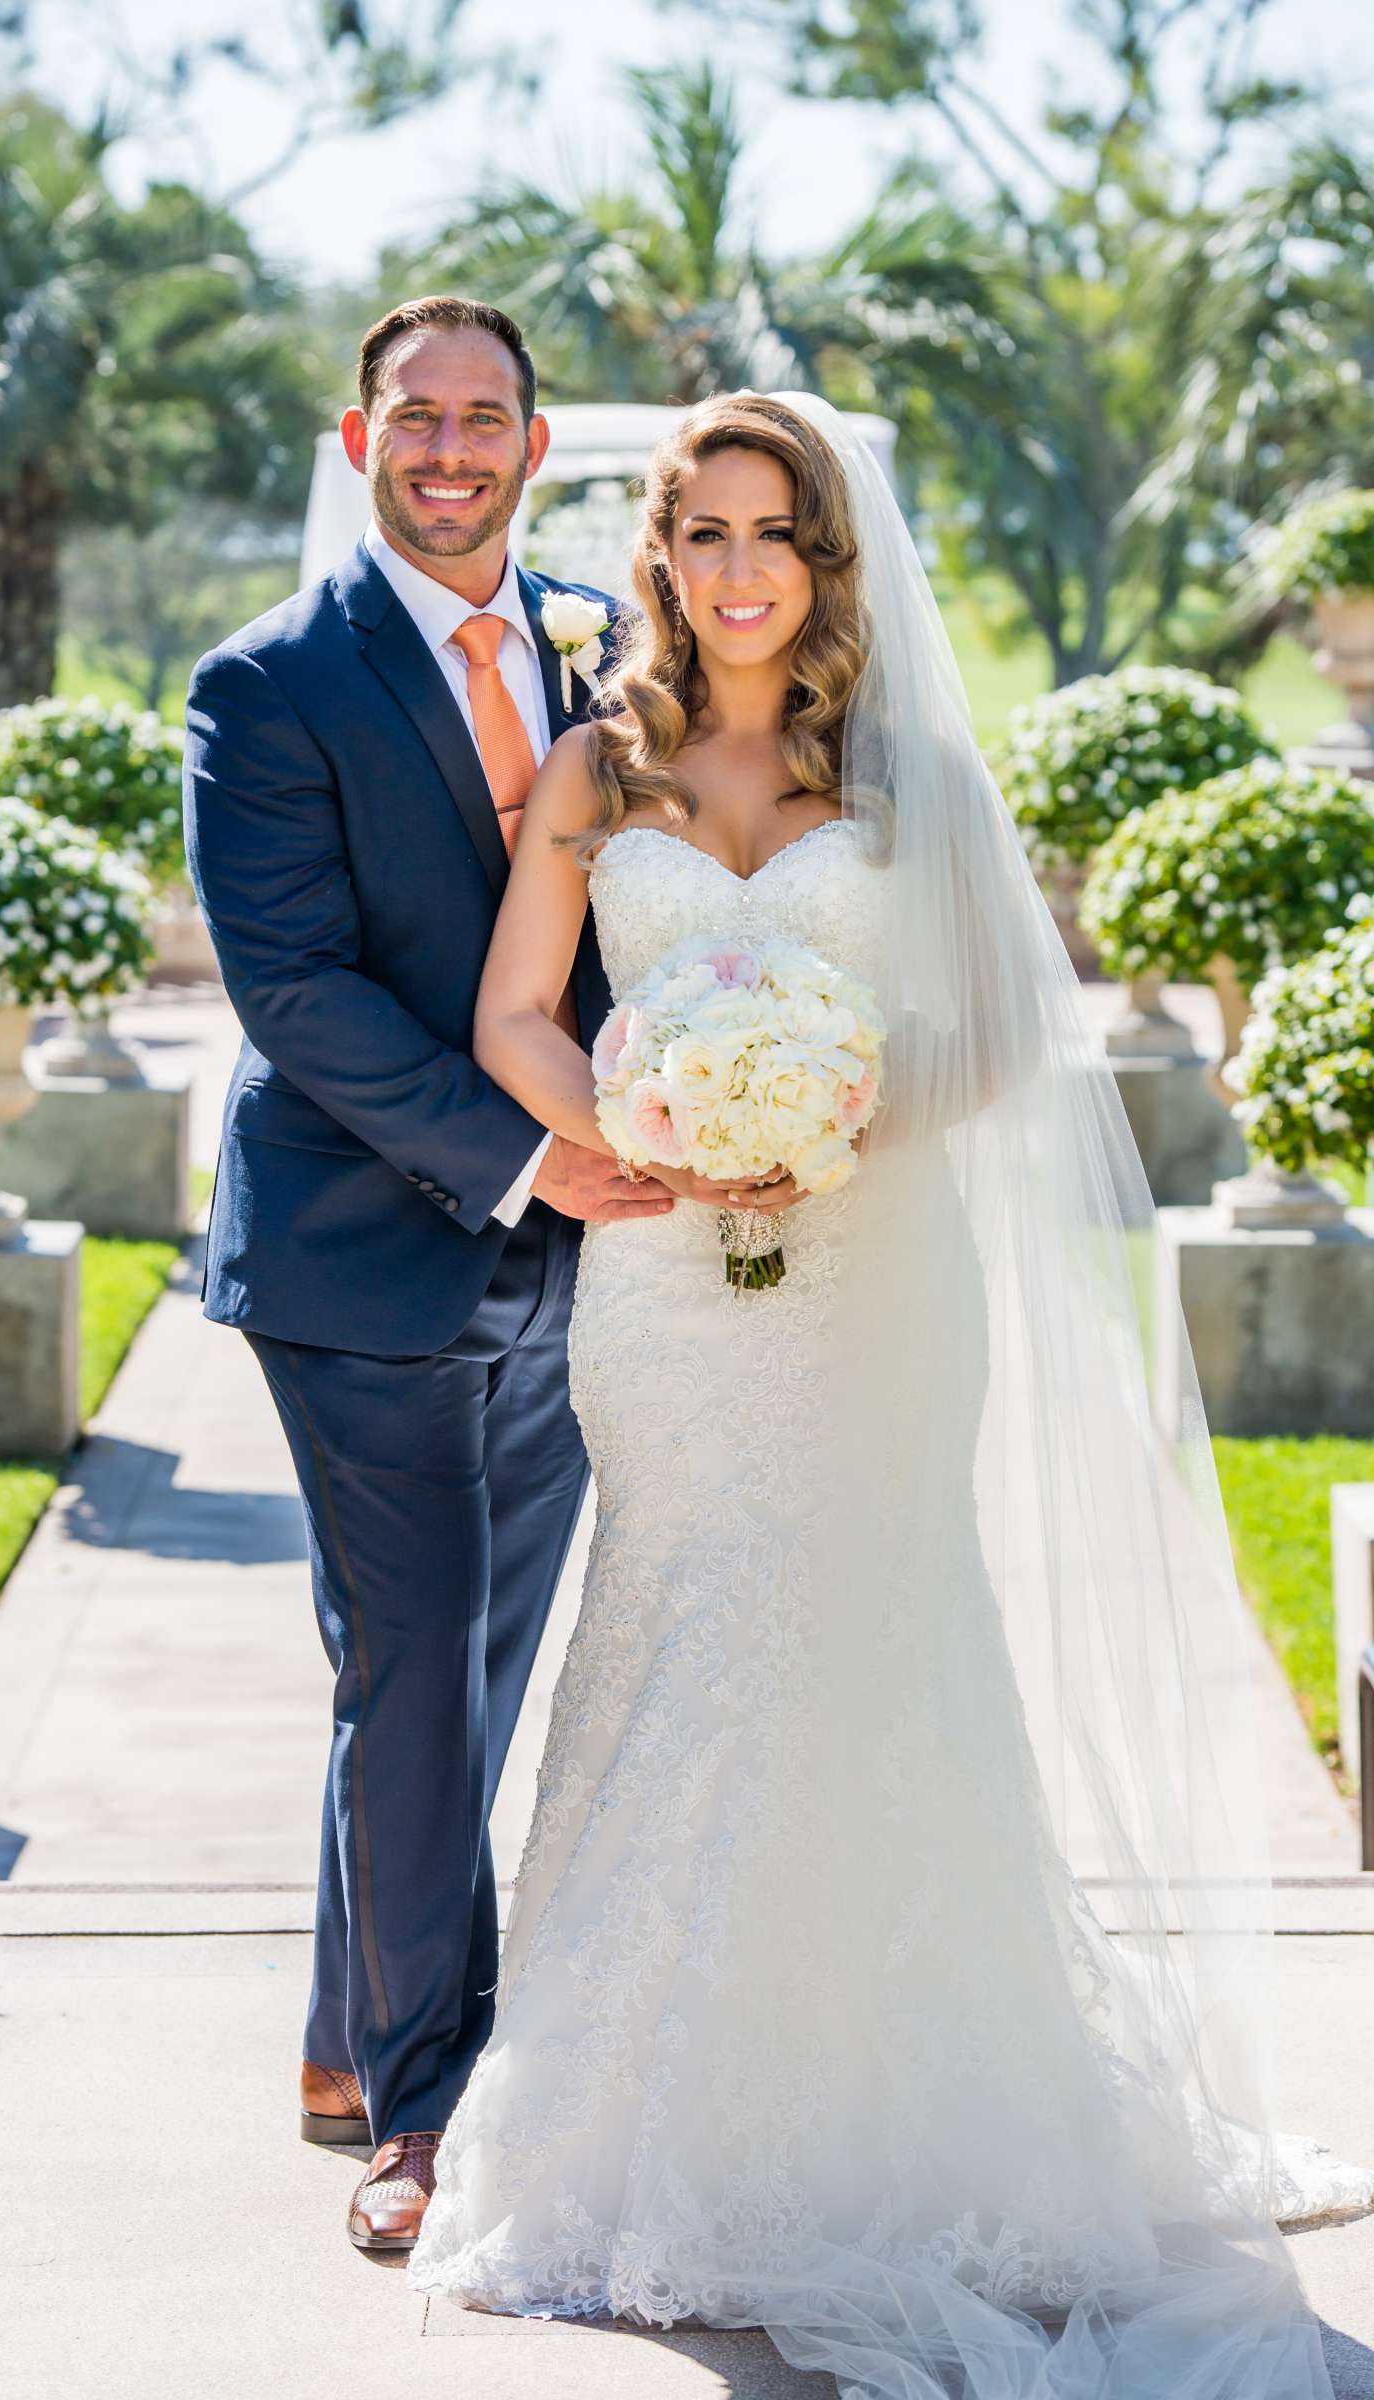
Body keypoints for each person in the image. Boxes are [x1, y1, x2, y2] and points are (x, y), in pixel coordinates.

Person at [407, 390, 1372, 2395]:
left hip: (876, 1276)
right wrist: (651, 1138)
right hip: (664, 1288)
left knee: (879, 1644)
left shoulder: (905, 767)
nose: (741, 569)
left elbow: (1006, 1028)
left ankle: (909, 2120)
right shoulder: (599, 763)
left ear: (826, 560)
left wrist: (825, 1134)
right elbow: (515, 1008)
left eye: (778, 534)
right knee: (675, 1644)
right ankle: (644, 2137)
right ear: (660, 552)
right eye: (706, 534)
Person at [182, 295, 683, 2252]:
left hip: (586, 1241)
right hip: (353, 1250)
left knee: (461, 1662)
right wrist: (525, 1156)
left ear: (534, 447)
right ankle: (422, 2108)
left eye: (486, 418)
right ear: (356, 438)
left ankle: (337, 2028)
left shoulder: (598, 646)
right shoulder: (265, 684)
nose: (452, 448)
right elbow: (295, 991)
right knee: (407, 1662)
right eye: (418, 418)